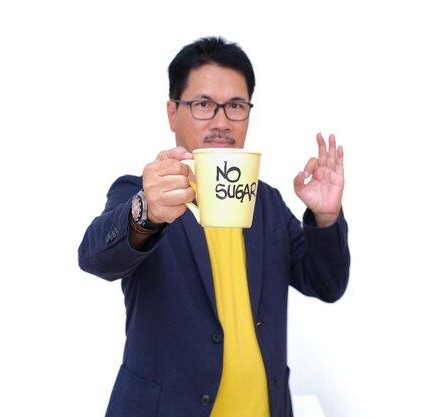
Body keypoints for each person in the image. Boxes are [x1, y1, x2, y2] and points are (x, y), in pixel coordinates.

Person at [78, 35, 350, 417]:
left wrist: (324, 218)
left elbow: (326, 284)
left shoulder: (267, 201)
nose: (222, 121)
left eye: (236, 105)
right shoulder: (142, 194)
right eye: (204, 104)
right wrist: (146, 212)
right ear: (173, 112)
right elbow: (95, 259)